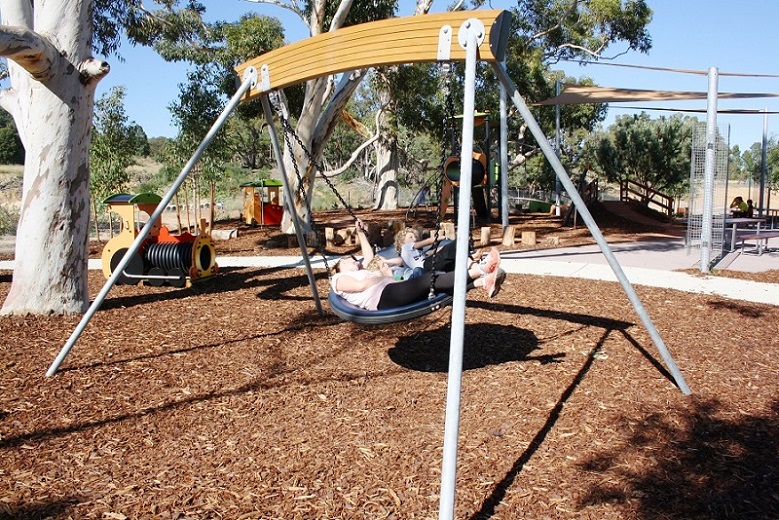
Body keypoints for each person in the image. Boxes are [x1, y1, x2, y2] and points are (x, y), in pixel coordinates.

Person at [331, 220, 505, 311]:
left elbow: (368, 257)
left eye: (355, 259)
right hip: (382, 298)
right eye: (349, 260)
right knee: (428, 280)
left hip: (393, 289)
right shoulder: (338, 279)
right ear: (340, 267)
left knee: (437, 286)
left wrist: (361, 233)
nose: (355, 261)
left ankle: (483, 282)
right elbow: (361, 285)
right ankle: (481, 269)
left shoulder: (364, 270)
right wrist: (383, 276)